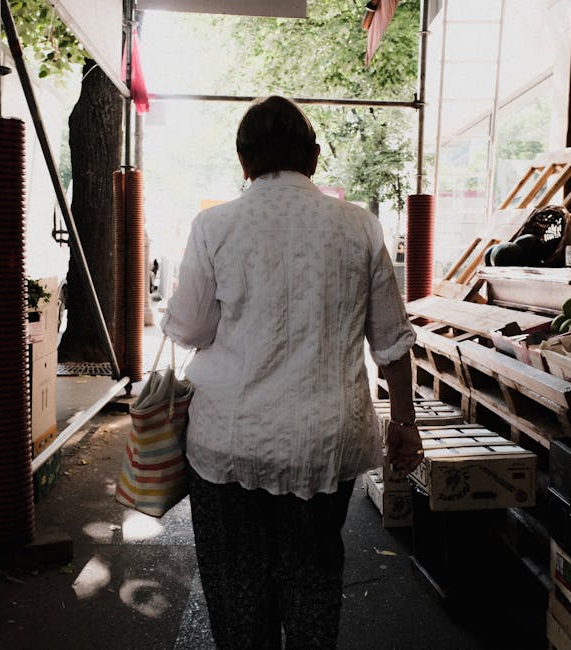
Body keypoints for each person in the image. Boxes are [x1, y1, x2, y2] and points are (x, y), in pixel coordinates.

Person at [160, 95, 422, 649]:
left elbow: (187, 329)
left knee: (238, 594)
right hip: (323, 443)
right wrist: (404, 423)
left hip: (230, 443)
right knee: (312, 583)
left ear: (244, 162)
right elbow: (393, 343)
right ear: (315, 157)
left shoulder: (214, 226)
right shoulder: (361, 228)